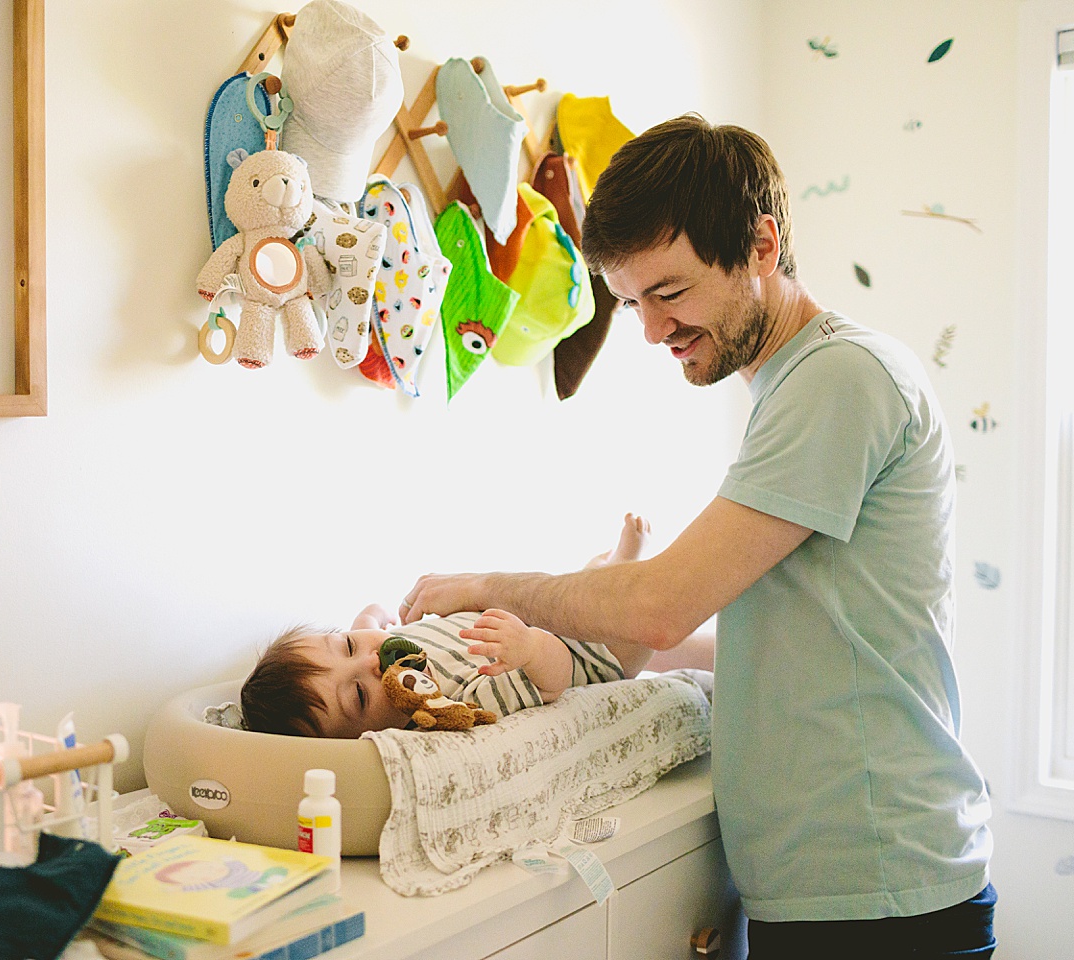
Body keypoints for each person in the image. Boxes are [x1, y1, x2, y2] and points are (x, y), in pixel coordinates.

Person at [399, 114, 995, 959]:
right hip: (836, 888)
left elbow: (661, 605)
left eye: (669, 293)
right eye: (631, 301)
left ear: (760, 244)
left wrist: (489, 586)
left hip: (881, 894)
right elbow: (789, 635)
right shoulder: (792, 388)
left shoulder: (840, 379)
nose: (650, 330)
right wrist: (605, 670)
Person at [241, 515, 654, 738]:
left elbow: (366, 627)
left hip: (548, 611)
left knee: (580, 583)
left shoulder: (387, 644)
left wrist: (370, 616)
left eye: (347, 646)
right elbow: (554, 679)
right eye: (361, 695)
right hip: (593, 652)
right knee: (631, 618)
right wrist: (527, 649)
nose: (371, 660)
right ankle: (624, 569)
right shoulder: (451, 703)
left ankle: (606, 568)